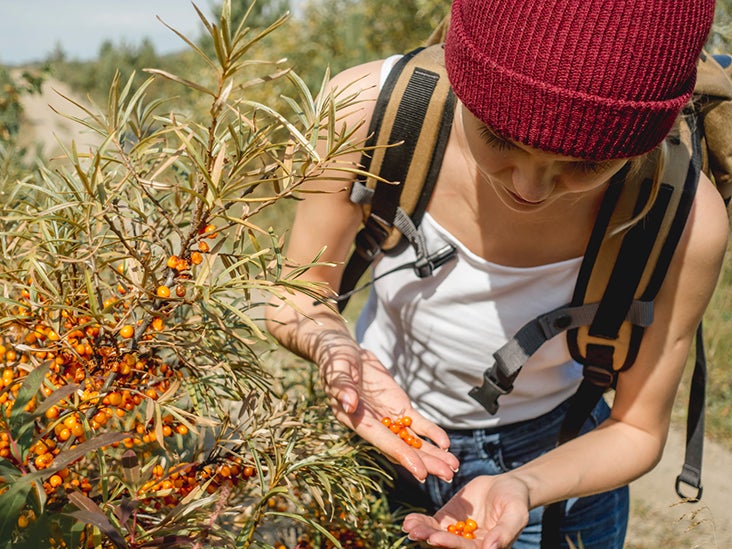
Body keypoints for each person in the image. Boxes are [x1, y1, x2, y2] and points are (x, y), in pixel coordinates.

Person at [265, 0, 728, 547]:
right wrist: (333, 349)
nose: (529, 189)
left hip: (555, 473)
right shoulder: (371, 112)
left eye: (586, 165)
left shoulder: (684, 217)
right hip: (371, 445)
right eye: (501, 139)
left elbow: (637, 429)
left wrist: (525, 487)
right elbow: (297, 297)